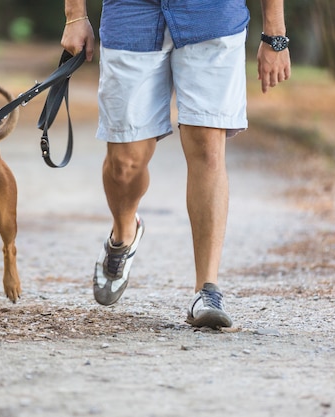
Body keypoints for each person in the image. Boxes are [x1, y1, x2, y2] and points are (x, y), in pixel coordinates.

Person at [61, 0, 291, 329]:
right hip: (131, 12)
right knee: (125, 162)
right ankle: (124, 231)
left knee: (208, 148)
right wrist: (75, 14)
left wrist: (275, 35)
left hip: (214, 14)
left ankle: (207, 289)